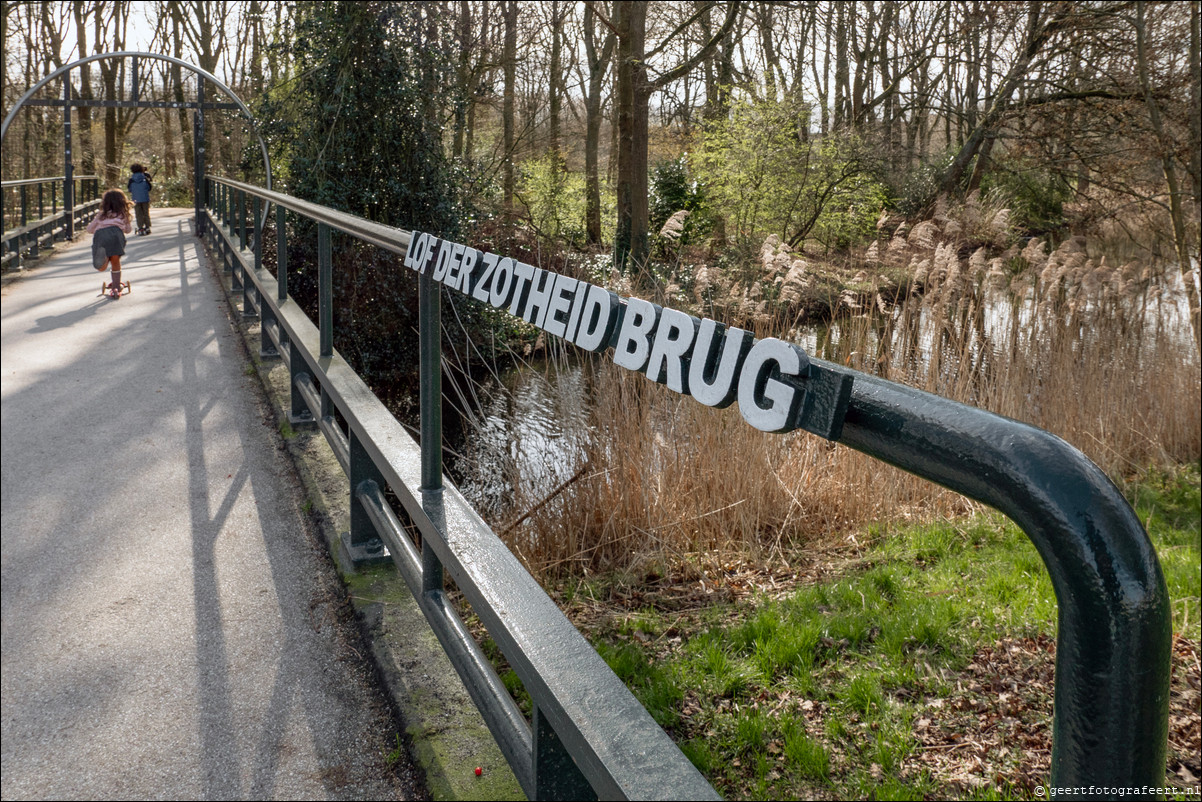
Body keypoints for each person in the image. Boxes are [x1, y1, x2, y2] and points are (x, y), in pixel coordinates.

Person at [88, 189, 133, 299]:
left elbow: (89, 229)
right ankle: (116, 286)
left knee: (101, 268)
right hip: (116, 235)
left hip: (101, 236)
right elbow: (128, 230)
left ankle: (105, 259)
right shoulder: (123, 214)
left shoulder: (101, 215)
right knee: (116, 260)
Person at [127, 163, 152, 235]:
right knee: (146, 213)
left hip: (136, 199)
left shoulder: (131, 180)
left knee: (138, 214)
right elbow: (149, 188)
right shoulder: (144, 178)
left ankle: (140, 227)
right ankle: (147, 227)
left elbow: (130, 189)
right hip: (145, 198)